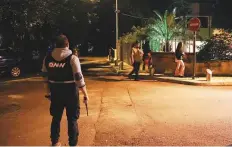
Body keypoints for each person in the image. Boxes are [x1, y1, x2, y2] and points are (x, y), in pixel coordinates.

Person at [41, 35, 89, 146]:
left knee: (56, 118)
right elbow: (78, 78)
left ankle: (55, 142)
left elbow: (44, 77)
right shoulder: (72, 58)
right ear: (67, 45)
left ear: (56, 45)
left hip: (55, 91)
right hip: (71, 91)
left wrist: (47, 92)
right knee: (72, 119)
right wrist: (85, 94)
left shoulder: (47, 58)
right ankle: (72, 143)